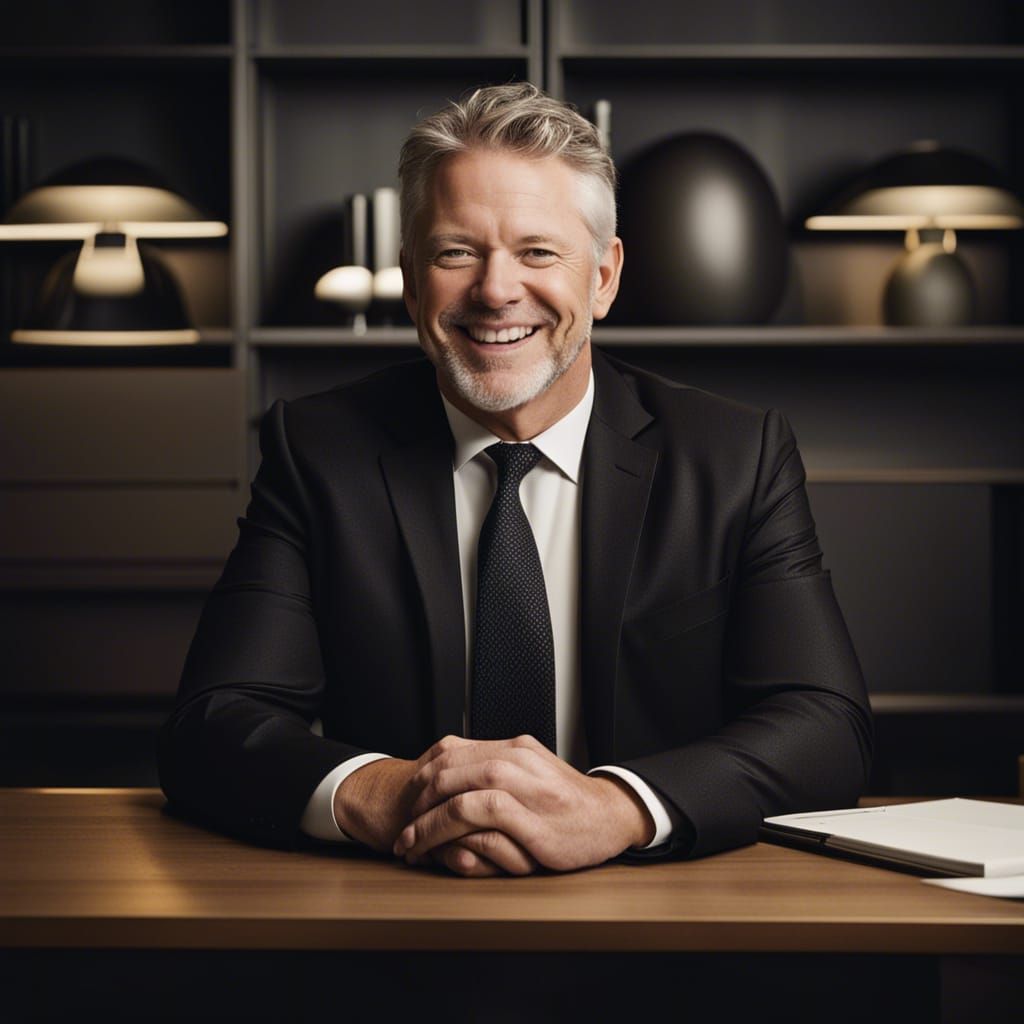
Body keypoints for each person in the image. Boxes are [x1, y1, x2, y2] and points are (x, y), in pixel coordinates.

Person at [158, 83, 872, 877]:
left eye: (538, 252)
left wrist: (619, 808)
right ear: (409, 279)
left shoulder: (736, 456)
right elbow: (212, 723)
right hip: (397, 912)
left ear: (603, 277)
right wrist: (391, 795)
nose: (496, 290)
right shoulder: (317, 451)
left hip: (665, 919)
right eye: (456, 252)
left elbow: (825, 725)